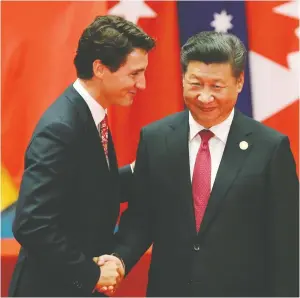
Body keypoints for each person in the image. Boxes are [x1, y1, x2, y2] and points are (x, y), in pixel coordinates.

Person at [99, 31, 299, 297]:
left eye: (217, 86)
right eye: (195, 84)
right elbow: (141, 217)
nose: (205, 97)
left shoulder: (270, 148)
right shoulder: (156, 138)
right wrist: (119, 259)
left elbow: (288, 242)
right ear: (183, 78)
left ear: (239, 82)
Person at [8, 15, 155, 297]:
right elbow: (32, 224)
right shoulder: (61, 127)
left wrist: (143, 170)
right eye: (135, 73)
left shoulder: (88, 114)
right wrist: (91, 274)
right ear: (100, 68)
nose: (143, 84)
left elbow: (89, 187)